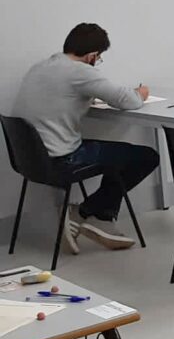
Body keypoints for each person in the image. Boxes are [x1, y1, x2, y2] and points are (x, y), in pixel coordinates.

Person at [12, 23, 158, 252]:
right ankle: (88, 213)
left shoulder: (41, 67)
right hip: (61, 160)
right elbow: (128, 100)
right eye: (99, 58)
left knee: (117, 156)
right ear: (92, 56)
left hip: (29, 160)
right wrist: (140, 93)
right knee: (145, 156)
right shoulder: (80, 71)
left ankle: (99, 216)